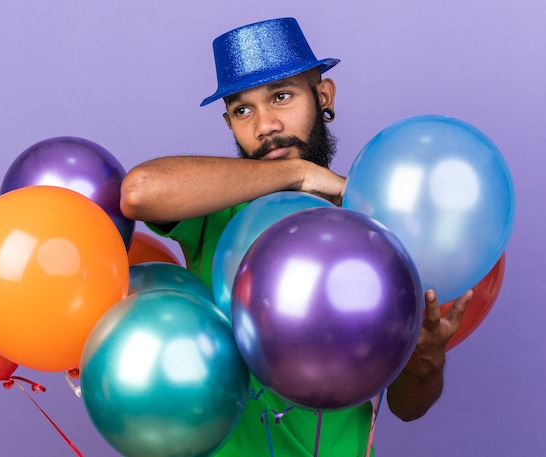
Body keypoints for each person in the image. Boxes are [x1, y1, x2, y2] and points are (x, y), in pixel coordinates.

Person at [121, 17, 472, 456]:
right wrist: (300, 173)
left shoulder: (375, 225)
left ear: (323, 96)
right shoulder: (214, 205)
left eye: (281, 96)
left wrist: (426, 359)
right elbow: (139, 191)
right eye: (242, 110)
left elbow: (408, 407)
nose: (265, 125)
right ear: (229, 123)